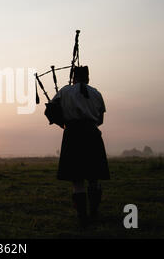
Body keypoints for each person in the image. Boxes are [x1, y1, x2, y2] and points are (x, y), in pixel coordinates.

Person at [51, 66, 110, 227]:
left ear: (73, 78)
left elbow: (50, 111)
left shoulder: (64, 91)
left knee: (77, 179)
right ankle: (94, 212)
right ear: (88, 78)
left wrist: (63, 121)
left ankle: (82, 217)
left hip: (72, 135)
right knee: (93, 176)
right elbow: (100, 120)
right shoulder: (97, 93)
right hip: (92, 134)